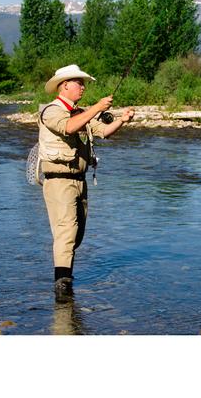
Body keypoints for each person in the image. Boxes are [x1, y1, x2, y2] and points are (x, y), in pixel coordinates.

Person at [38, 64, 134, 299]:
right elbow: (68, 127)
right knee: (66, 232)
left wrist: (122, 119)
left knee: (77, 234)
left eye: (83, 83)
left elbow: (104, 131)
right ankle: (62, 284)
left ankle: (65, 275)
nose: (83, 87)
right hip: (58, 181)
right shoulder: (50, 111)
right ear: (65, 85)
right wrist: (98, 107)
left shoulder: (80, 112)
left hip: (80, 181)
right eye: (79, 82)